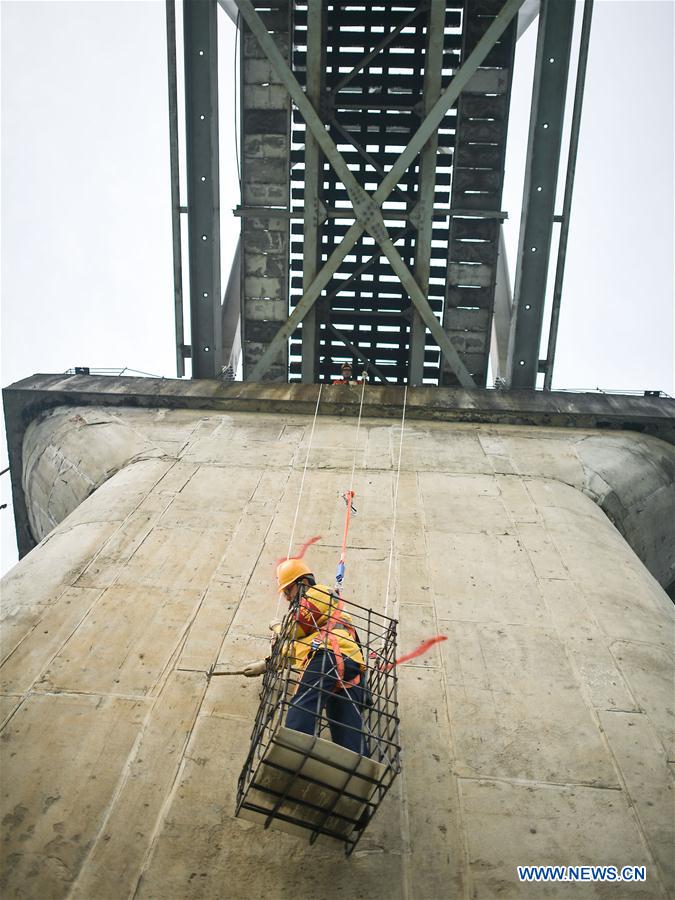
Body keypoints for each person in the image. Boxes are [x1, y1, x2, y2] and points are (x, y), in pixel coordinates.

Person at [244, 558, 369, 756]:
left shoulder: (318, 592)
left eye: (288, 590)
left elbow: (294, 629)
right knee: (345, 727)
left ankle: (291, 753)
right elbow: (296, 649)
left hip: (329, 657)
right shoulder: (316, 632)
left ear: (302, 583)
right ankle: (358, 770)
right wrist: (267, 665)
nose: (286, 597)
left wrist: (277, 626)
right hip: (347, 665)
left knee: (303, 702)